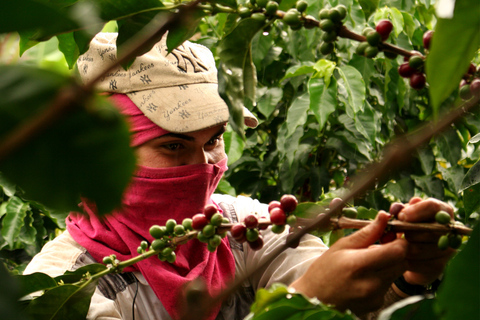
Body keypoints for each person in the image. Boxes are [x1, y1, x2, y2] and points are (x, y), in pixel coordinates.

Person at [24, 32, 455, 320]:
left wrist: (405, 274)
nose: (204, 167)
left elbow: (349, 295)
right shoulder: (61, 293)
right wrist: (301, 305)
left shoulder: (239, 228)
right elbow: (315, 295)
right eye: (173, 146)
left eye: (213, 141)